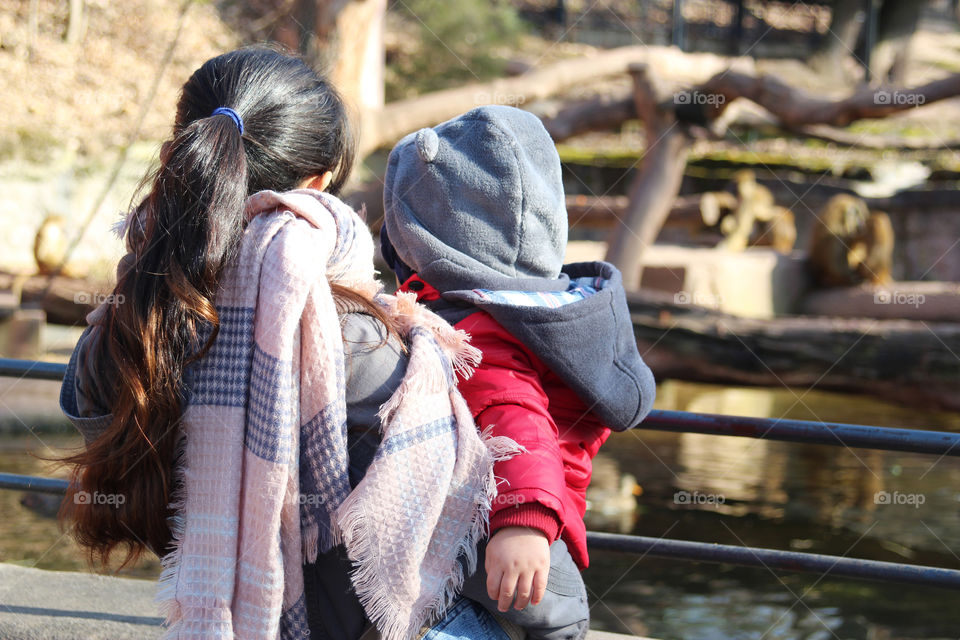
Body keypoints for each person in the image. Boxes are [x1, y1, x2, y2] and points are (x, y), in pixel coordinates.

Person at [57, 47, 520, 640]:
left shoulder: (130, 317)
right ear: (319, 183)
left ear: (184, 149)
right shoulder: (349, 336)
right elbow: (438, 520)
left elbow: (93, 418)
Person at [380, 105, 658, 640]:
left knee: (549, 615)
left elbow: (512, 414)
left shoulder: (477, 327)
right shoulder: (537, 305)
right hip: (524, 514)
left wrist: (523, 520)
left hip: (513, 524)